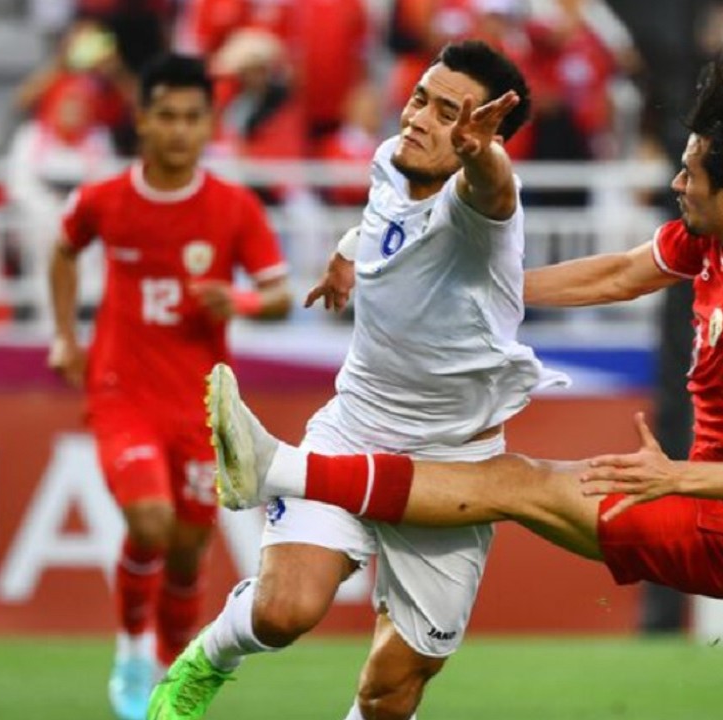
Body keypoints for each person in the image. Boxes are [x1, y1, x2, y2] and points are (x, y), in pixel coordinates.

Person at [208, 56, 723, 720]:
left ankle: (280, 469)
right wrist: (477, 283)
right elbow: (623, 272)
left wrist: (677, 477)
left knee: (515, 483)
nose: (676, 183)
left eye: (690, 173)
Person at [150, 40, 552, 720]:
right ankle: (206, 658)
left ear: (478, 137)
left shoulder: (482, 215)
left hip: (453, 468)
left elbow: (494, 190)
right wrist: (344, 256)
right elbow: (379, 215)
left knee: (391, 691)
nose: (420, 118)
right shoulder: (391, 162)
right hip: (354, 429)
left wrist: (483, 155)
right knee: (284, 611)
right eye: (421, 98)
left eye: (448, 115)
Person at [45, 53, 292, 720]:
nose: (180, 130)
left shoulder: (232, 207)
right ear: (142, 120)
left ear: (209, 124)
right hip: (121, 388)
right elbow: (64, 247)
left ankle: (171, 671)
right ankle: (131, 649)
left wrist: (234, 302)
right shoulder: (106, 199)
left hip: (199, 404)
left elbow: (278, 294)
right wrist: (66, 335)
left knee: (187, 552)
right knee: (149, 520)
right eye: (167, 117)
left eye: (192, 118)